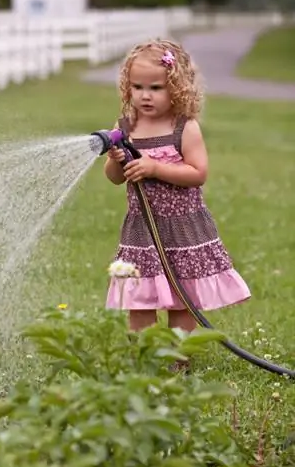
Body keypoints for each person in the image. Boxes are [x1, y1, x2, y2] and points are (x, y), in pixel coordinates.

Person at [104, 37, 250, 338]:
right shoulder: (126, 127)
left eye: (155, 88)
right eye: (137, 87)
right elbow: (115, 178)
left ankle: (177, 356)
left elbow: (198, 173)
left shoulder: (184, 127)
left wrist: (155, 168)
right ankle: (144, 355)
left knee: (182, 299)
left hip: (182, 227)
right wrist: (116, 159)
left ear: (177, 86)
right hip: (142, 228)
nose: (145, 95)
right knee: (139, 299)